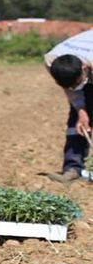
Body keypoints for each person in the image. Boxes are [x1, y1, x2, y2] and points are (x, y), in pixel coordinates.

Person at [43, 29, 93, 183]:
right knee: (77, 121)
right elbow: (70, 89)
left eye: (77, 84)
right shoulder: (52, 60)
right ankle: (73, 168)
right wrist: (81, 111)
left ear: (84, 69)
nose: (74, 89)